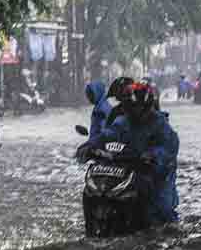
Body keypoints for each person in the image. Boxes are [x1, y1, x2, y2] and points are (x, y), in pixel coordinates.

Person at [76, 76, 179, 226]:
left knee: (160, 213)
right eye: (131, 108)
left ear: (147, 107)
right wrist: (89, 146)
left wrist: (153, 156)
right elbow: (107, 136)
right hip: (127, 168)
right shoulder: (123, 122)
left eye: (138, 108)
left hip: (154, 176)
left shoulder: (161, 126)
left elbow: (168, 149)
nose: (134, 113)